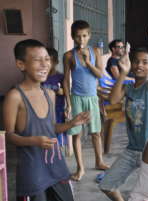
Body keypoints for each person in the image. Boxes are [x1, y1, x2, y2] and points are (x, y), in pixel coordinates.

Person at [3, 39, 90, 201]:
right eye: (37, 60)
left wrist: (71, 124)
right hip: (32, 171)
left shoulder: (49, 94)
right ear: (21, 64)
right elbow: (9, 136)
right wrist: (33, 141)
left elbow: (50, 128)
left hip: (57, 166)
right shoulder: (14, 97)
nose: (44, 64)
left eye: (47, 59)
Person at [99, 27, 148, 201]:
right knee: (106, 184)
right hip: (132, 150)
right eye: (136, 61)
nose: (139, 65)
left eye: (145, 62)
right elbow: (113, 100)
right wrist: (122, 72)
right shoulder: (129, 88)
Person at [63, 20, 109, 181]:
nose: (81, 40)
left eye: (84, 36)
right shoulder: (68, 56)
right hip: (76, 98)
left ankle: (99, 161)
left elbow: (100, 75)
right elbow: (65, 80)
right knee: (76, 134)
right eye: (77, 37)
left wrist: (88, 62)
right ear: (72, 37)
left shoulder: (96, 51)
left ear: (89, 36)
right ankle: (80, 168)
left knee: (96, 132)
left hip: (92, 98)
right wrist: (68, 103)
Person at [42, 47, 73, 156]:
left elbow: (67, 92)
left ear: (56, 62)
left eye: (50, 61)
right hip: (44, 110)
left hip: (58, 109)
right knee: (47, 131)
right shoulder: (41, 78)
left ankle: (60, 151)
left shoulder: (60, 77)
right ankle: (48, 153)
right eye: (44, 60)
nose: (47, 64)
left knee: (59, 131)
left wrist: (63, 93)